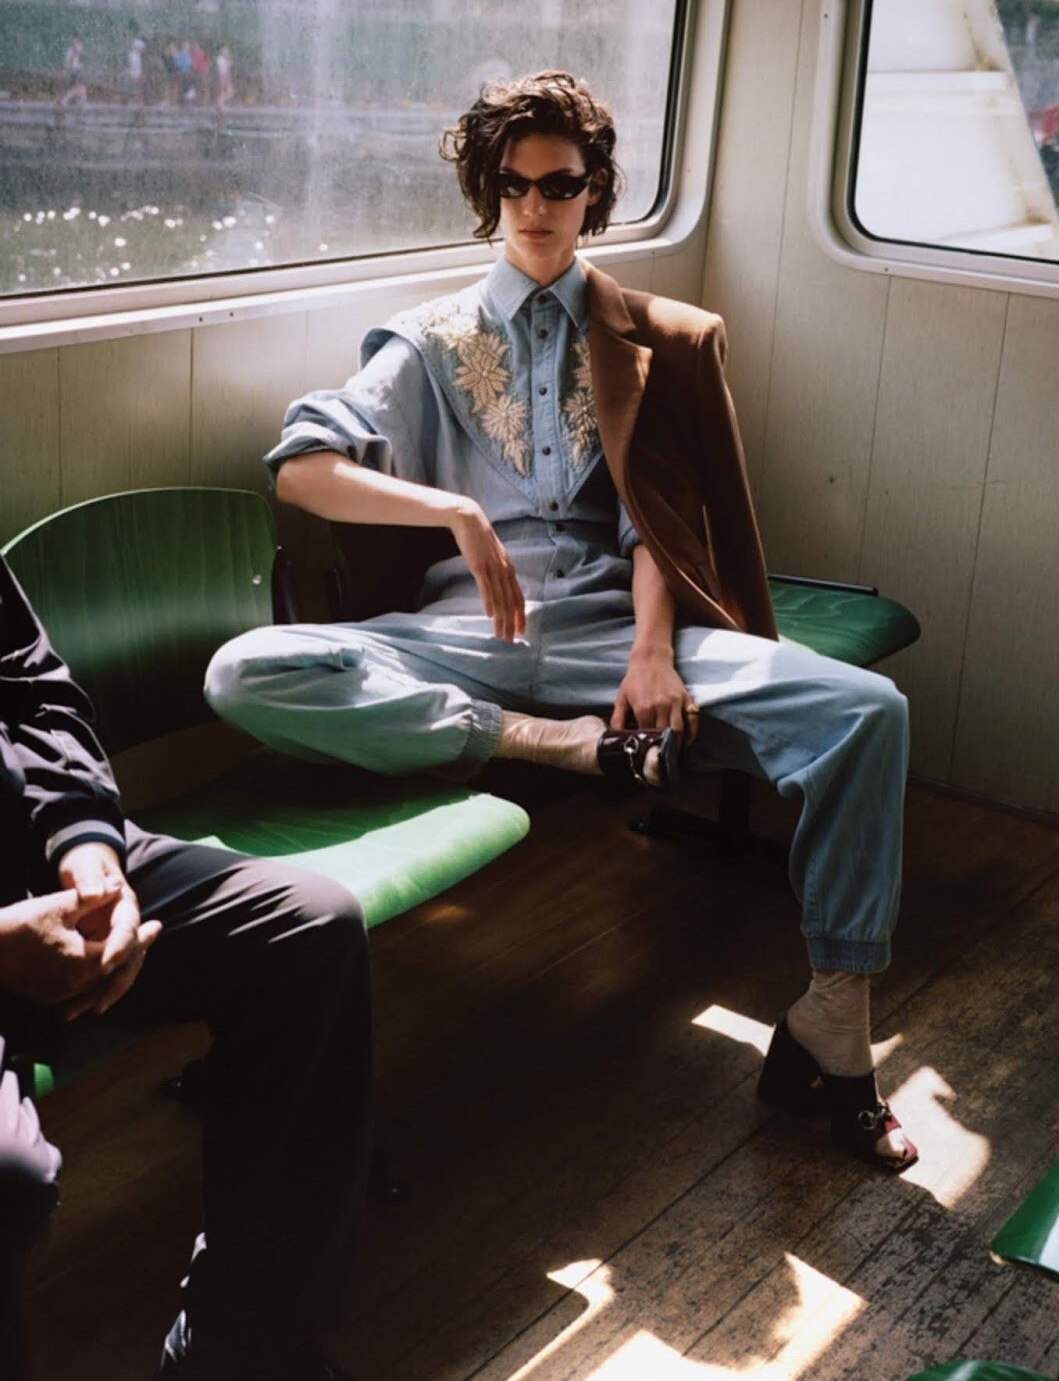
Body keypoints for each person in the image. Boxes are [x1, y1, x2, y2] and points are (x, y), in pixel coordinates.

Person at [205, 69, 917, 1173]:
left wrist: (653, 655)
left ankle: (837, 1018)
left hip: (611, 639)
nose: (534, 206)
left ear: (595, 192)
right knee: (246, 668)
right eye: (513, 184)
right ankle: (556, 748)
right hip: (463, 646)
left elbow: (657, 523)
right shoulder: (430, 341)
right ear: (486, 191)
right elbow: (300, 469)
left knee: (868, 713)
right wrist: (450, 511)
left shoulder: (645, 338)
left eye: (560, 184)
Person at [0, 554, 372, 1379]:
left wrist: (89, 853)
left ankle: (241, 1347)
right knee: (8, 1180)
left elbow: (31, 690)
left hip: (26, 853)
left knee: (307, 931)